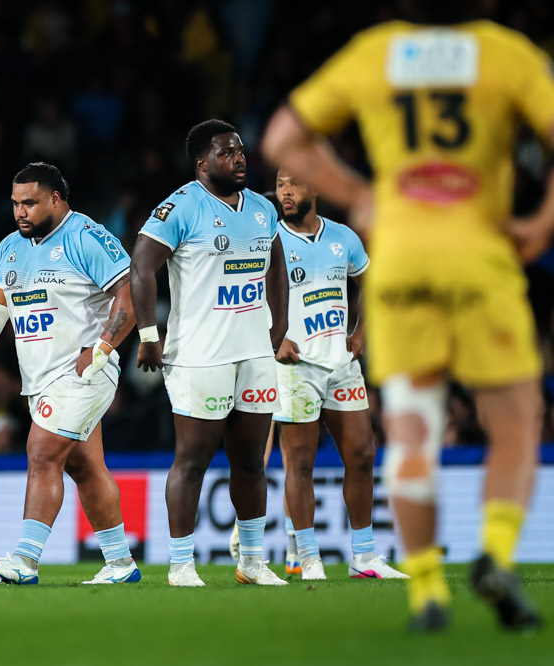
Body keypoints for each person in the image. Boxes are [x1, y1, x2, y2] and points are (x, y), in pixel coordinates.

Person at [262, 14, 554, 630]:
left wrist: (361, 195)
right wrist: (543, 221)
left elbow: (282, 137)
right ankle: (496, 552)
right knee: (517, 418)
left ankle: (424, 589)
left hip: (399, 258)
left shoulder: (376, 53)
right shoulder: (507, 53)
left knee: (410, 430)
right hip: (480, 253)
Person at [0, 162, 141, 586]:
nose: (20, 212)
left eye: (30, 203)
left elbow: (129, 297)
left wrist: (100, 349)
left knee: (42, 453)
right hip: (39, 376)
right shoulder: (10, 247)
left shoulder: (87, 237)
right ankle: (120, 564)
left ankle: (25, 560)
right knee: (85, 468)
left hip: (84, 371)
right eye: (15, 204)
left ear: (57, 199)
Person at [130, 119, 289, 586]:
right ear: (202, 163)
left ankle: (253, 563)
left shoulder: (262, 208)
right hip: (200, 356)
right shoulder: (179, 207)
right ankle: (181, 565)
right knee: (193, 460)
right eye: (226, 152)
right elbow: (141, 267)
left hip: (254, 355)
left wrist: (279, 324)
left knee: (250, 462)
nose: (239, 158)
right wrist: (148, 335)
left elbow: (277, 264)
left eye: (240, 150)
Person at [271, 167, 405, 580]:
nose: (285, 192)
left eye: (293, 183)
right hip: (296, 368)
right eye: (279, 185)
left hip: (342, 364)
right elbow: (250, 293)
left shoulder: (344, 237)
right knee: (301, 463)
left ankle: (364, 557)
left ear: (317, 186)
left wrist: (361, 330)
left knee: (362, 455)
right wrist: (276, 337)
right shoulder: (271, 241)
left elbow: (369, 281)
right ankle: (307, 557)